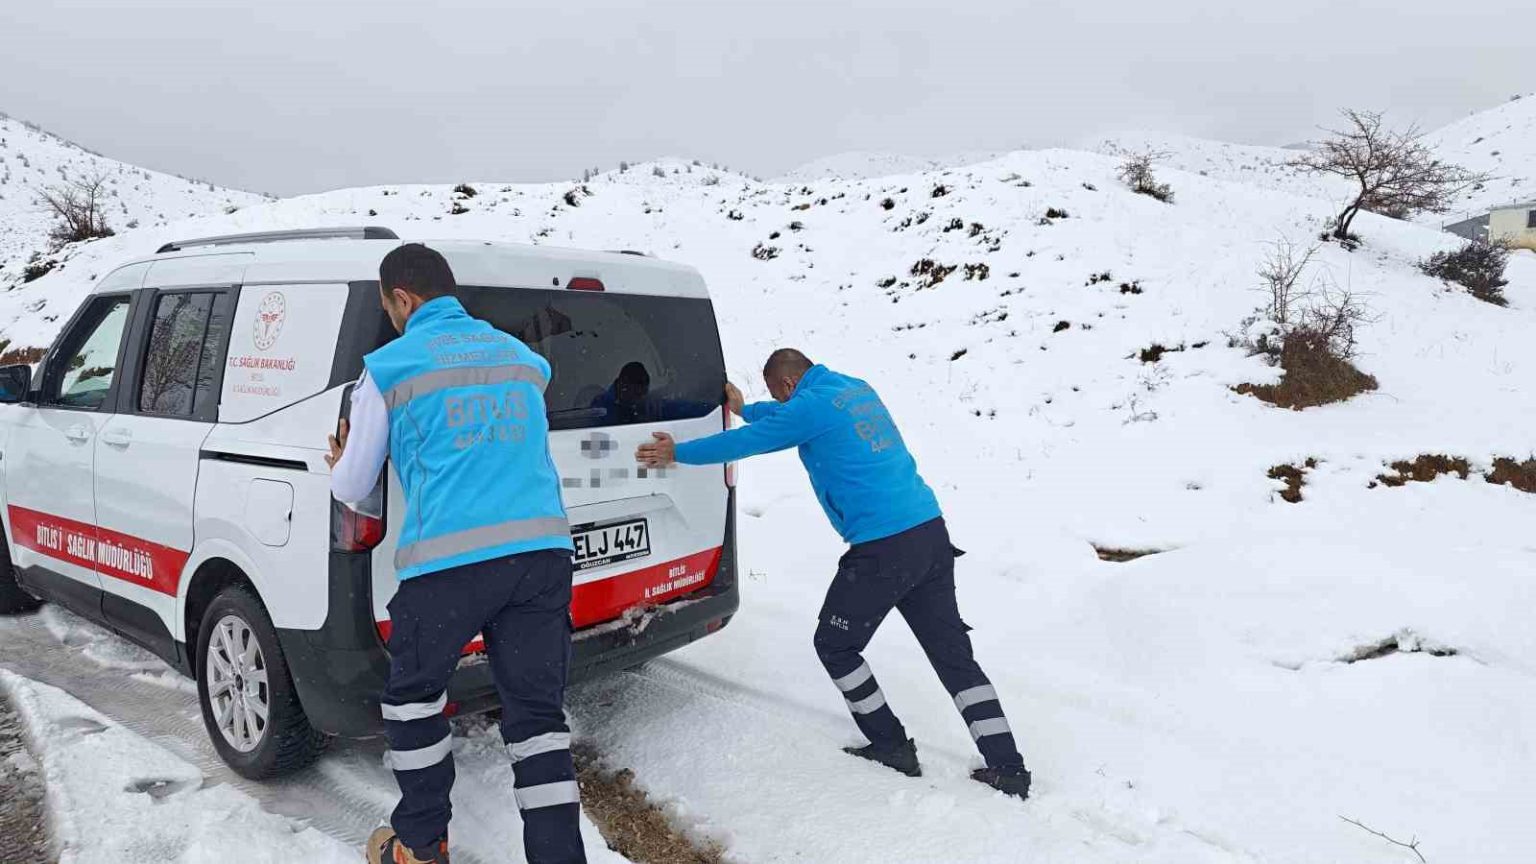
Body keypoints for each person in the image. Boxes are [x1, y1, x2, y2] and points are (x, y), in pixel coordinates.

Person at [636, 349, 1031, 799]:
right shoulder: (853, 388)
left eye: (777, 395)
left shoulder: (810, 407)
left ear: (788, 385)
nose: (779, 402)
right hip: (929, 533)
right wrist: (748, 409)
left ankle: (890, 744)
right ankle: (1009, 767)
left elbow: (752, 441)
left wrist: (677, 453)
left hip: (884, 548)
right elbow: (787, 418)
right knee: (952, 654)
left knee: (835, 645)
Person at [328, 244, 587, 864]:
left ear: (402, 298)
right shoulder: (520, 357)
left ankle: (420, 846)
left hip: (450, 563)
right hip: (541, 556)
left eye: (388, 307)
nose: (390, 318)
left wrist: (340, 461)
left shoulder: (388, 368)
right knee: (537, 720)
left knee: (414, 702)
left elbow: (354, 483)